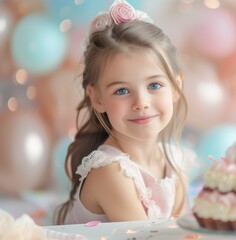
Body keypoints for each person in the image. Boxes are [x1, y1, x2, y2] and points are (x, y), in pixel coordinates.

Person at [55, 0, 195, 225]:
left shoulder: (174, 160)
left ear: (176, 86)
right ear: (97, 98)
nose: (141, 103)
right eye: (122, 90)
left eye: (154, 85)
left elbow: (180, 229)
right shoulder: (111, 173)